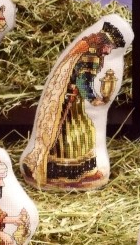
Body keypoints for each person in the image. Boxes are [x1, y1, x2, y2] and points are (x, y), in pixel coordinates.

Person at [22, 22, 125, 187]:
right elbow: (83, 81)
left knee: (69, 130)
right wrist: (93, 99)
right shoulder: (92, 55)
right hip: (70, 101)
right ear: (104, 44)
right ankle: (64, 171)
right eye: (110, 47)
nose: (109, 51)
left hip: (67, 97)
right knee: (75, 132)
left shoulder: (88, 49)